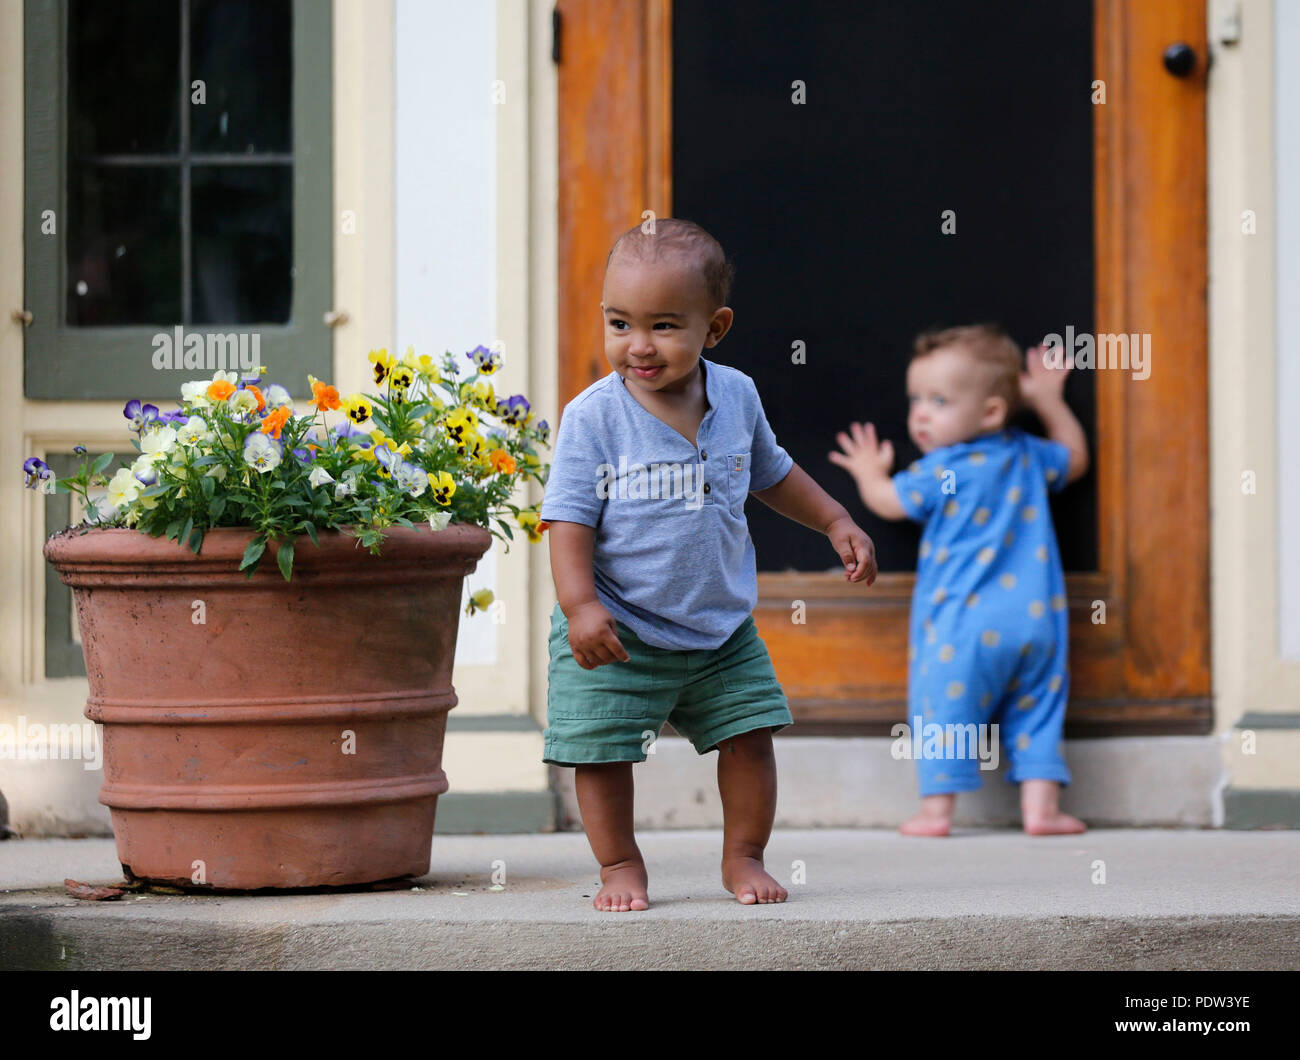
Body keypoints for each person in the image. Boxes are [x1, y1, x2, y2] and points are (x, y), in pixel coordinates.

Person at [541, 218, 877, 910]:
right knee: (602, 751)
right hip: (616, 625)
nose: (638, 345)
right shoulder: (593, 418)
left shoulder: (738, 397)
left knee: (751, 736)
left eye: (664, 325)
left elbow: (771, 471)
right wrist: (580, 607)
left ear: (714, 328)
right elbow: (568, 517)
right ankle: (619, 866)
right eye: (619, 322)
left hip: (721, 629)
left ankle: (743, 856)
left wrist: (835, 520)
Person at [829, 324, 1088, 836]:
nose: (920, 413)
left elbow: (889, 503)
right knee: (1038, 710)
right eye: (917, 399)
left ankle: (937, 811)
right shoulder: (1027, 455)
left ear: (991, 411)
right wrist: (1051, 401)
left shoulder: (939, 470)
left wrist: (868, 473)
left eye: (939, 401)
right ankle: (1042, 810)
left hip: (961, 632)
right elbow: (1076, 459)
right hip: (1037, 624)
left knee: (944, 708)